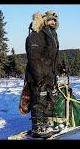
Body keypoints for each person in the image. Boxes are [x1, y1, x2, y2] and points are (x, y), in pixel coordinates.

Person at [25, 10, 60, 138]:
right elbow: (33, 57)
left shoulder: (52, 34)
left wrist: (57, 72)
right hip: (38, 74)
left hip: (49, 75)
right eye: (51, 19)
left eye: (55, 20)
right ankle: (38, 128)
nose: (53, 22)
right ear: (45, 20)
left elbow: (52, 57)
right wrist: (39, 78)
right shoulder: (37, 34)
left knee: (48, 100)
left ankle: (45, 125)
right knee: (39, 100)